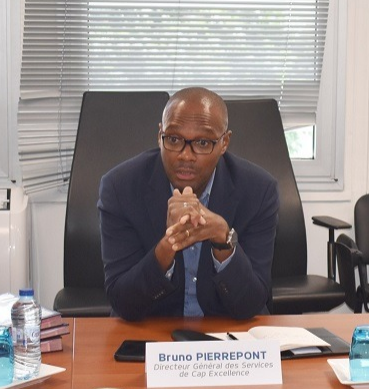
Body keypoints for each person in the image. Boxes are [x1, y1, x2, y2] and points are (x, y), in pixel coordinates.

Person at [98, 87, 279, 321]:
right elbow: (123, 303)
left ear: (224, 142)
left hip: (226, 329)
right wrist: (168, 245)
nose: (186, 156)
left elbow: (251, 304)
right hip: (153, 327)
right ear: (160, 135)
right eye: (174, 139)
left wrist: (224, 239)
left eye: (203, 143)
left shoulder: (258, 190)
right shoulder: (120, 188)